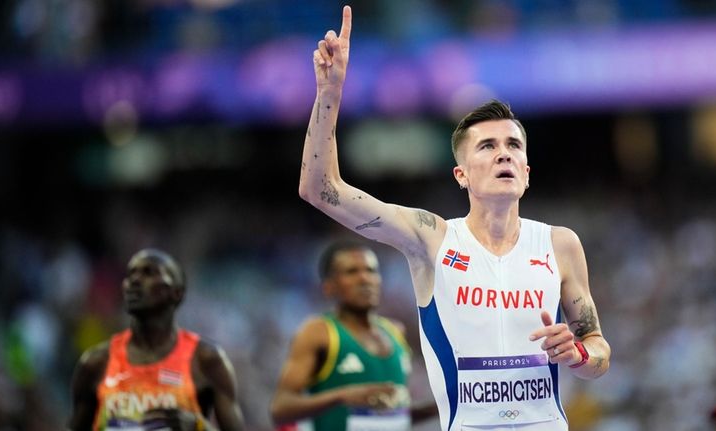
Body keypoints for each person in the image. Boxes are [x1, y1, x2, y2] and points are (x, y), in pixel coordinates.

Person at [298, 5, 611, 430]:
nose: (504, 153)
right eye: (487, 146)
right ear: (460, 175)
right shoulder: (432, 239)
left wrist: (579, 354)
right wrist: (329, 94)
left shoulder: (559, 244)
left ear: (527, 172)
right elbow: (321, 189)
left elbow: (599, 356)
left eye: (514, 146)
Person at [68, 248, 244, 431]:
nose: (134, 281)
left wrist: (198, 427)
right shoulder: (96, 363)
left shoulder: (206, 360)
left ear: (177, 293)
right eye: (130, 274)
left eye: (149, 273)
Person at [270, 241, 438, 430]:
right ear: (328, 287)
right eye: (351, 272)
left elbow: (391, 417)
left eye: (371, 270)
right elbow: (280, 409)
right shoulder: (319, 332)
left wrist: (438, 407)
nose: (365, 279)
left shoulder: (395, 332)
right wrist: (342, 396)